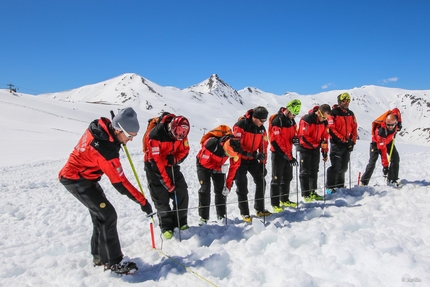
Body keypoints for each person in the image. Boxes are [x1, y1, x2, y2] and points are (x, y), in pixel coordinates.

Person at [58, 107, 153, 274]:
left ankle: (100, 257)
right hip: (76, 179)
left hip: (85, 178)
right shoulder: (104, 149)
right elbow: (120, 183)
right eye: (129, 136)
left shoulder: (103, 128)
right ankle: (113, 262)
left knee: (100, 216)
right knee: (108, 215)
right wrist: (143, 202)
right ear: (118, 130)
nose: (130, 140)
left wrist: (117, 141)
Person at [143, 112, 190, 239]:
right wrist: (167, 184)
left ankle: (181, 222)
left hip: (171, 165)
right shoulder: (155, 135)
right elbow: (156, 163)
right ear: (171, 128)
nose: (179, 138)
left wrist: (174, 160)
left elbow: (185, 150)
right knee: (161, 197)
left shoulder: (182, 133)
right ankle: (166, 227)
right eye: (176, 135)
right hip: (154, 167)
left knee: (182, 192)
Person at [233, 106, 270, 222]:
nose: (262, 123)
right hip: (240, 159)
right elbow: (236, 146)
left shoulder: (262, 129)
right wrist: (251, 155)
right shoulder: (241, 125)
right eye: (261, 120)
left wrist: (263, 164)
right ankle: (245, 213)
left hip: (253, 159)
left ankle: (259, 209)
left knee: (261, 181)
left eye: (264, 121)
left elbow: (264, 146)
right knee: (242, 186)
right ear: (254, 117)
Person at [196, 136, 242, 224]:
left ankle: (221, 215)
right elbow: (204, 162)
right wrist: (218, 168)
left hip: (219, 165)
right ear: (225, 147)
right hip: (203, 165)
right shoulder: (211, 144)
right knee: (205, 189)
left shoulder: (237, 149)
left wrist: (228, 186)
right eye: (227, 154)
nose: (227, 156)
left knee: (221, 189)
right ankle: (204, 217)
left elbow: (233, 168)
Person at [268, 100, 301, 213]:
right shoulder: (278, 121)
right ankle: (275, 204)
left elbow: (295, 134)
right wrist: (286, 155)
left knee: (287, 178)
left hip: (288, 153)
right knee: (276, 179)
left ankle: (284, 199)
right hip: (278, 154)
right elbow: (276, 141)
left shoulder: (292, 121)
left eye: (296, 114)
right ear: (287, 110)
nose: (294, 116)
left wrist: (295, 139)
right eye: (293, 113)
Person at [297, 104, 331, 202]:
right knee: (305, 172)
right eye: (324, 117)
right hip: (305, 148)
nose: (325, 119)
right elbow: (304, 137)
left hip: (315, 148)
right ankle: (306, 193)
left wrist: (324, 151)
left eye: (327, 118)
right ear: (319, 113)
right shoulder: (307, 120)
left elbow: (325, 137)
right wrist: (316, 144)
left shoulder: (324, 122)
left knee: (314, 170)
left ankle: (313, 191)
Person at [361, 109, 402, 187]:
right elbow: (383, 151)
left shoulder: (396, 123)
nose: (390, 127)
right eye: (388, 125)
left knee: (395, 158)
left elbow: (396, 110)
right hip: (376, 144)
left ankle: (392, 179)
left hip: (389, 142)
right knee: (372, 162)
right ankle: (364, 182)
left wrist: (400, 122)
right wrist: (385, 166)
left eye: (392, 125)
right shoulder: (381, 132)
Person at [326, 92, 358, 193]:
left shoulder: (351, 113)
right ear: (339, 102)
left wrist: (352, 141)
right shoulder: (333, 113)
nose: (346, 103)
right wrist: (343, 140)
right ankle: (330, 187)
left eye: (348, 100)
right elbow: (332, 129)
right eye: (344, 101)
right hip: (337, 143)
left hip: (347, 144)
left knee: (344, 166)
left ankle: (340, 185)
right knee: (336, 166)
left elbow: (354, 127)